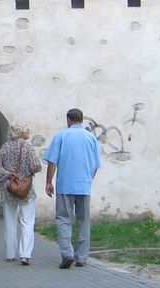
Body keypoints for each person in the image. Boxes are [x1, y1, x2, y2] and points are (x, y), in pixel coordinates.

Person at [44, 108, 101, 269]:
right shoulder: (91, 138)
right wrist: (88, 179)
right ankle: (82, 257)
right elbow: (96, 165)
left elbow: (52, 161)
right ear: (81, 120)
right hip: (84, 185)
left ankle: (67, 253)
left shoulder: (61, 136)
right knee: (83, 220)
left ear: (68, 119)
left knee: (63, 219)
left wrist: (49, 182)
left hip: (65, 185)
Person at [0, 121, 42, 265]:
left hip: (8, 188)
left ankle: (10, 253)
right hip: (25, 190)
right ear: (21, 132)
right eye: (27, 130)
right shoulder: (28, 147)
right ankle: (25, 255)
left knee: (10, 221)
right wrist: (30, 171)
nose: (28, 132)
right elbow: (36, 166)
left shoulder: (5, 147)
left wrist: (9, 174)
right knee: (27, 221)